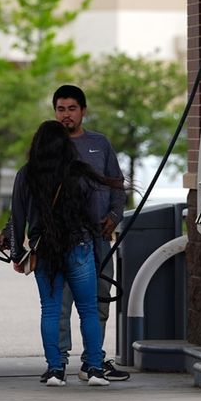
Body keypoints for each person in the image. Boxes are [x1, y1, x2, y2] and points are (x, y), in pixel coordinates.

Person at [7, 120, 122, 387]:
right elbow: (94, 215)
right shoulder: (79, 172)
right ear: (66, 145)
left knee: (50, 311)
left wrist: (16, 255)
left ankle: (56, 370)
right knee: (89, 310)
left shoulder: (26, 175)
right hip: (79, 246)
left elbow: (17, 218)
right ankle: (94, 369)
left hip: (45, 250)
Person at [52, 84, 130, 382]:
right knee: (60, 303)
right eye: (61, 109)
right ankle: (57, 362)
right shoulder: (49, 145)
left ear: (83, 111)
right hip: (62, 240)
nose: (66, 115)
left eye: (72, 108)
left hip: (98, 238)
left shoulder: (100, 143)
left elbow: (116, 184)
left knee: (99, 299)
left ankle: (92, 361)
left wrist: (114, 215)